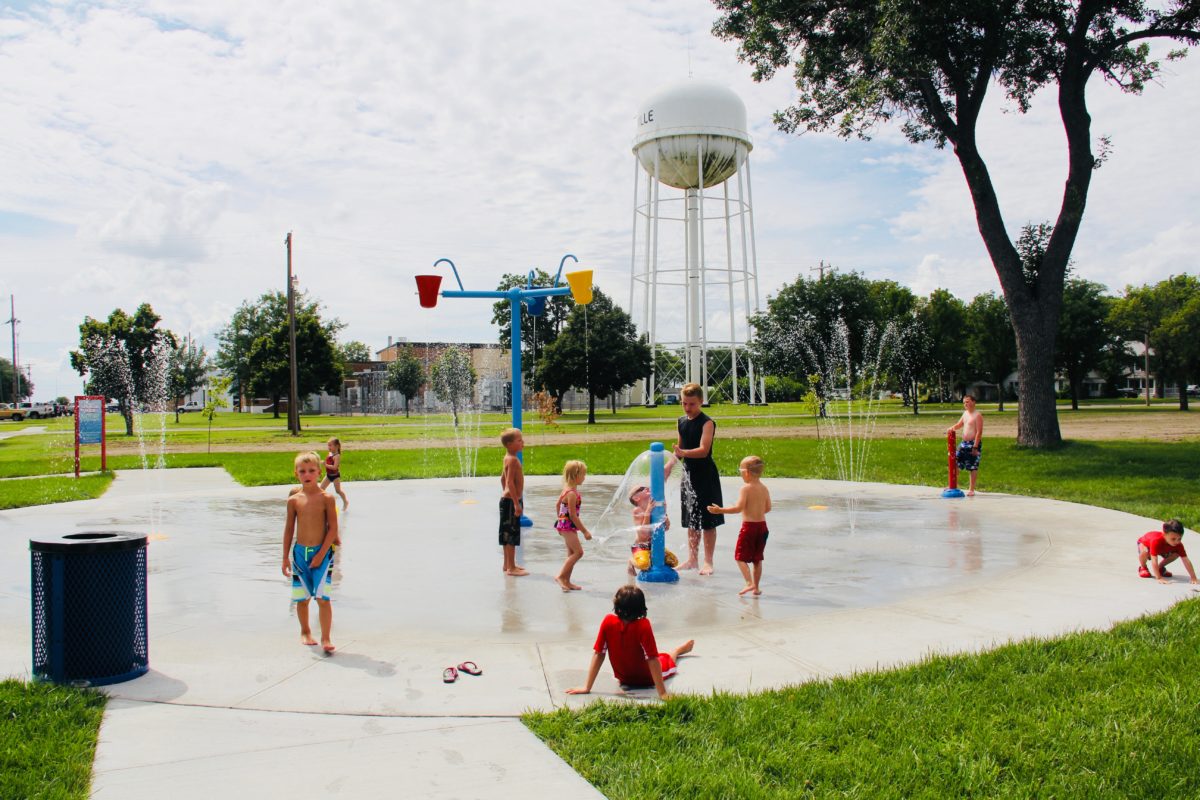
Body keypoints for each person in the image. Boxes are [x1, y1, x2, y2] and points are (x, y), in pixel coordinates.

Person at [566, 585, 694, 700]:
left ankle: (676, 651)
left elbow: (599, 654)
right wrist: (662, 693)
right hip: (647, 679)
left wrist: (587, 687)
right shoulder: (643, 625)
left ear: (617, 605)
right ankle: (676, 651)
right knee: (666, 660)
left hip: (623, 678)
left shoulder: (608, 621)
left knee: (656, 656)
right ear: (641, 607)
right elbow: (652, 660)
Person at [283, 452, 339, 654]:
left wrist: (321, 554)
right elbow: (289, 529)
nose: (307, 474)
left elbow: (332, 529)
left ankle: (325, 637)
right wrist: (285, 558)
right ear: (296, 473)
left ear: (319, 472)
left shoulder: (327, 498)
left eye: (312, 471)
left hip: (322, 554)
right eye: (302, 471)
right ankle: (305, 631)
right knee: (302, 598)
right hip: (300, 555)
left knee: (323, 598)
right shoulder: (294, 500)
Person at [673, 382, 724, 574]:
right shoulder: (680, 421)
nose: (687, 407)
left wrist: (682, 452)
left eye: (692, 404)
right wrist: (668, 468)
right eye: (684, 403)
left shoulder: (707, 422)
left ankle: (708, 561)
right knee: (692, 519)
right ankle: (692, 559)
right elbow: (679, 451)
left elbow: (703, 451)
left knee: (708, 519)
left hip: (706, 475)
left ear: (701, 401)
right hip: (689, 475)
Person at [708, 455, 772, 596]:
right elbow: (768, 508)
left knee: (740, 557)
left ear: (747, 473)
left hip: (749, 528)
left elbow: (738, 508)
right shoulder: (764, 488)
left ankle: (749, 583)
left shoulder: (746, 489)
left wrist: (720, 510)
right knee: (757, 559)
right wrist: (757, 510)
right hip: (762, 527)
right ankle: (756, 587)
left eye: (740, 471)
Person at [555, 460, 593, 591]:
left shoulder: (567, 490)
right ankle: (560, 576)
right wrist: (585, 531)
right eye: (583, 474)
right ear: (575, 476)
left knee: (571, 553)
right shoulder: (571, 493)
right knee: (579, 552)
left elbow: (558, 505)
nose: (584, 477)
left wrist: (559, 521)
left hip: (565, 526)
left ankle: (567, 581)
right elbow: (572, 515)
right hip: (567, 527)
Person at [499, 428, 528, 577]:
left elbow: (502, 479)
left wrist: (505, 494)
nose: (522, 442)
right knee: (511, 535)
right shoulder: (513, 460)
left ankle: (507, 564)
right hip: (511, 502)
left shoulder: (507, 458)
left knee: (506, 534)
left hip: (507, 500)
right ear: (510, 444)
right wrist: (516, 503)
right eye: (519, 440)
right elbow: (509, 481)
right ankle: (511, 568)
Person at [627, 484, 670, 576]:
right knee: (644, 564)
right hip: (640, 546)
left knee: (674, 561)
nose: (646, 487)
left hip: (653, 546)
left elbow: (666, 528)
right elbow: (644, 535)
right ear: (636, 498)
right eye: (641, 489)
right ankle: (631, 561)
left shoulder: (656, 508)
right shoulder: (637, 510)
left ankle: (649, 559)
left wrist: (665, 514)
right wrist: (648, 512)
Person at [1137, 519, 1198, 584]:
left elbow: (1186, 560)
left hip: (1163, 549)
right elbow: (1154, 560)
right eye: (1173, 539)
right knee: (1144, 552)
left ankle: (1160, 567)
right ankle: (1143, 567)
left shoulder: (1179, 545)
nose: (1177, 542)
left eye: (1179, 539)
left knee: (1177, 554)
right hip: (1145, 544)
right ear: (1164, 534)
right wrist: (1159, 578)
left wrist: (1193, 577)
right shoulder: (1156, 541)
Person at [947, 393, 984, 496]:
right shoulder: (965, 414)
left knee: (972, 467)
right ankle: (953, 485)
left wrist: (975, 447)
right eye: (964, 402)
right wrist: (951, 428)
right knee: (954, 462)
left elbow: (979, 432)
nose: (965, 404)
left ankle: (971, 489)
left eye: (967, 402)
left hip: (973, 444)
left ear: (973, 402)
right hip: (963, 443)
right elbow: (959, 425)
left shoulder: (977, 415)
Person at [320, 437, 349, 511]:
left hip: (335, 476)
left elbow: (335, 467)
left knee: (338, 491)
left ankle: (345, 501)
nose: (329, 447)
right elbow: (328, 462)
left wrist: (325, 465)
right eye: (328, 445)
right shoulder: (330, 453)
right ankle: (323, 504)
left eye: (330, 445)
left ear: (337, 446)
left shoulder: (337, 456)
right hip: (328, 475)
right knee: (321, 489)